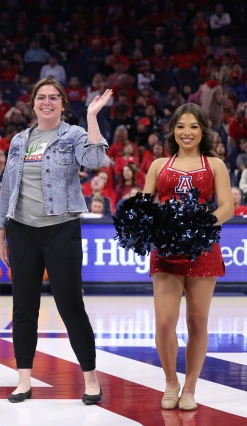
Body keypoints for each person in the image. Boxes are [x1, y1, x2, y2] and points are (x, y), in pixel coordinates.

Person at [0, 76, 112, 404]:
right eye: (41, 97)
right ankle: (23, 380)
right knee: (23, 308)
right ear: (33, 104)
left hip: (61, 229)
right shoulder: (19, 140)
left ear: (62, 103)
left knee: (71, 305)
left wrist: (92, 117)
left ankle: (90, 380)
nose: (47, 102)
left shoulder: (73, 134)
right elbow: (8, 186)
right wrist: (1, 229)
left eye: (54, 97)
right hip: (20, 230)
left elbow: (95, 160)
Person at [142, 103, 233, 411]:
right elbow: (144, 205)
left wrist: (199, 226)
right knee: (165, 323)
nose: (187, 132)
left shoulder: (215, 165)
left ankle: (190, 387)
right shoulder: (158, 165)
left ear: (203, 131)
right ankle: (171, 382)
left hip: (202, 248)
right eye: (181, 126)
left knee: (197, 321)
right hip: (166, 250)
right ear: (173, 131)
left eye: (193, 126)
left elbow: (227, 208)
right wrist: (140, 215)